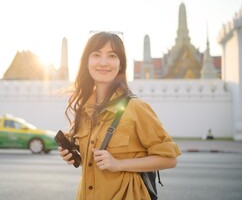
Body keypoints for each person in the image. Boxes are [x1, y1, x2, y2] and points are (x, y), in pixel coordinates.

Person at [58, 31, 181, 200]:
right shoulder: (86, 109)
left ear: (120, 64)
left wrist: (119, 164)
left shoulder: (136, 108)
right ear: (87, 62)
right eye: (96, 55)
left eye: (112, 56)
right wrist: (74, 153)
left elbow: (169, 159)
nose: (104, 62)